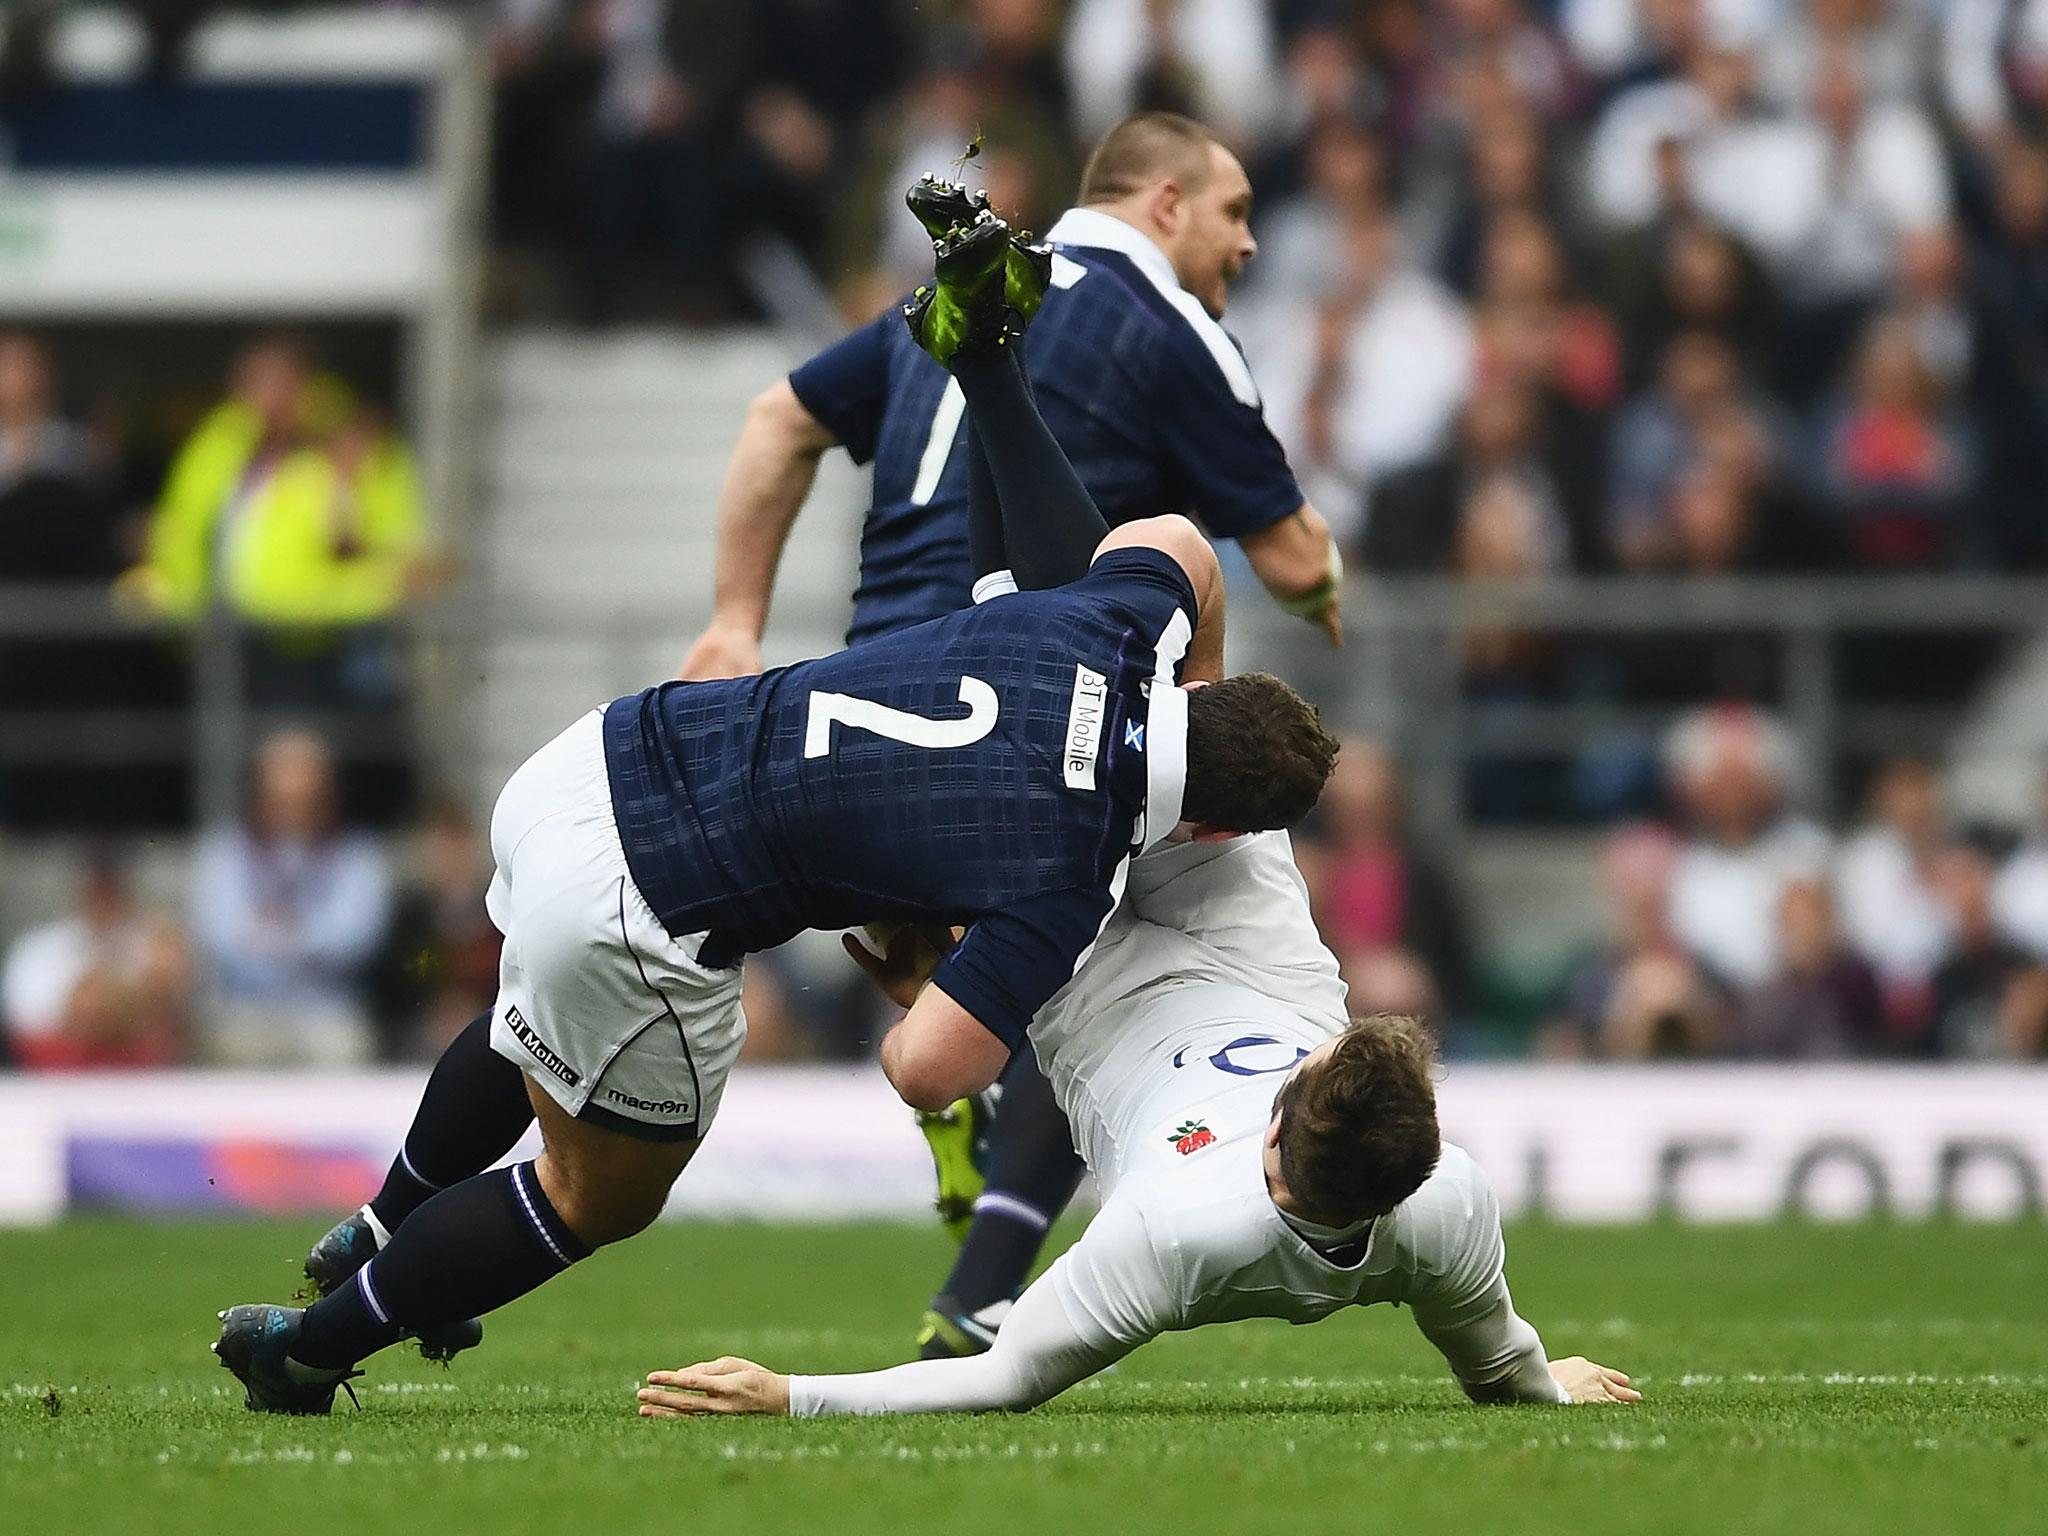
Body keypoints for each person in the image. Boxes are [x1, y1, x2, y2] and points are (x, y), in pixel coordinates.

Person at [211, 204, 1339, 1414]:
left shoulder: (1116, 617)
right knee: (598, 1194)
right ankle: (312, 1350)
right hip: (647, 905)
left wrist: (1182, 658)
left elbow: (1177, 544)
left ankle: (386, 1220)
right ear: (1216, 831)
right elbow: (924, 1072)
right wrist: (945, 967)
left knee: (529, 1013)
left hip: (594, 759)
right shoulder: (1067, 877)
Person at [678, 112, 1346, 1367]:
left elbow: (775, 422)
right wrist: (1321, 593)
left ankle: (416, 1220)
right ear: (1160, 204)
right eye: (1232, 211)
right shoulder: (1170, 328)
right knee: (1078, 949)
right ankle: (984, 1276)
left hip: (865, 685)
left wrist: (730, 621)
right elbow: (1293, 554)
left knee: (802, 913)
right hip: (1034, 691)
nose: (1248, 243)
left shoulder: (907, 322)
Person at [634, 837, 1634, 1419]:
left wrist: (793, 1393)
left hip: (1086, 990)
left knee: (1011, 784)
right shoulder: (1442, 1195)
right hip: (1264, 968)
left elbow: (1005, 1374)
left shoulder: (1177, 1228)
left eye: (1313, 1064)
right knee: (1213, 707)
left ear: (1275, 1139)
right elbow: (1496, 1364)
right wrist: (1545, 1382)